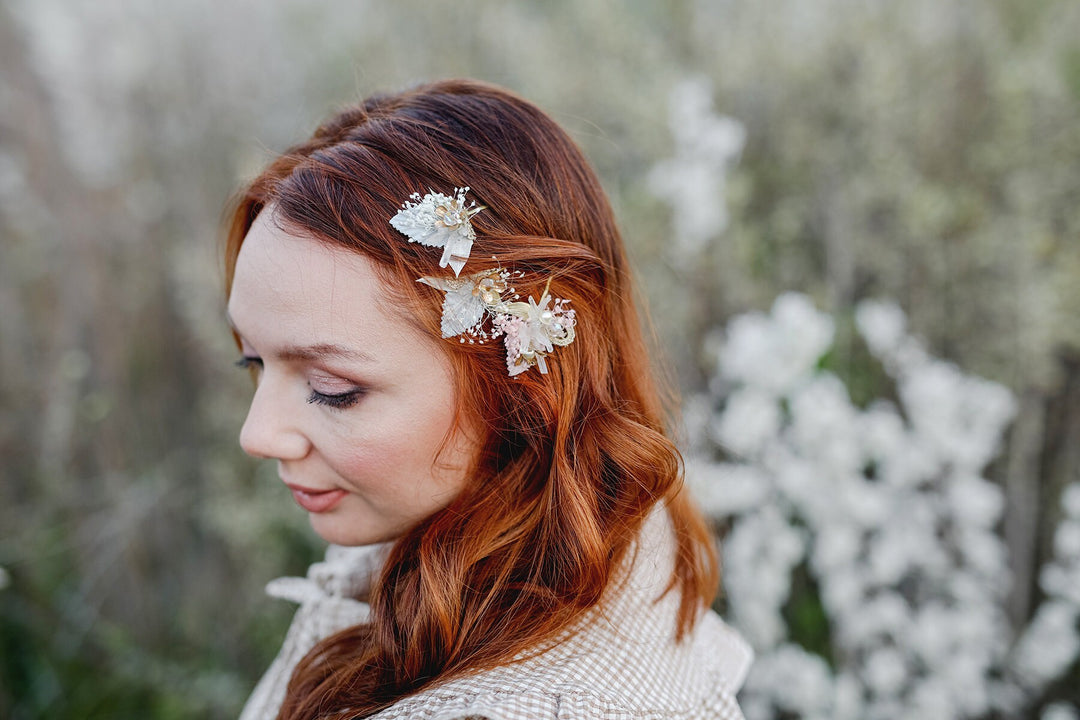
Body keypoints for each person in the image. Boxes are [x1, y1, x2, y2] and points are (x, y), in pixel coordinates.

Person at [223, 79, 752, 720]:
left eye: (334, 391)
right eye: (251, 360)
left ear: (519, 389)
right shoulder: (582, 520)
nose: (258, 435)